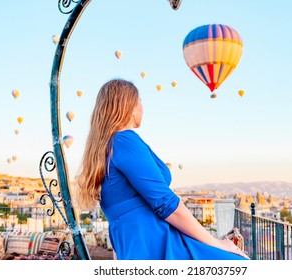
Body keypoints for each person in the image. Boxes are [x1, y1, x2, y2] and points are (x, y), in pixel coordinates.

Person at [76, 78, 249, 260]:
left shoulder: (103, 151)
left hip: (138, 249)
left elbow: (119, 225)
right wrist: (217, 243)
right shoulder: (125, 140)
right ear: (129, 106)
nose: (142, 106)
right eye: (140, 101)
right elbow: (167, 204)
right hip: (161, 245)